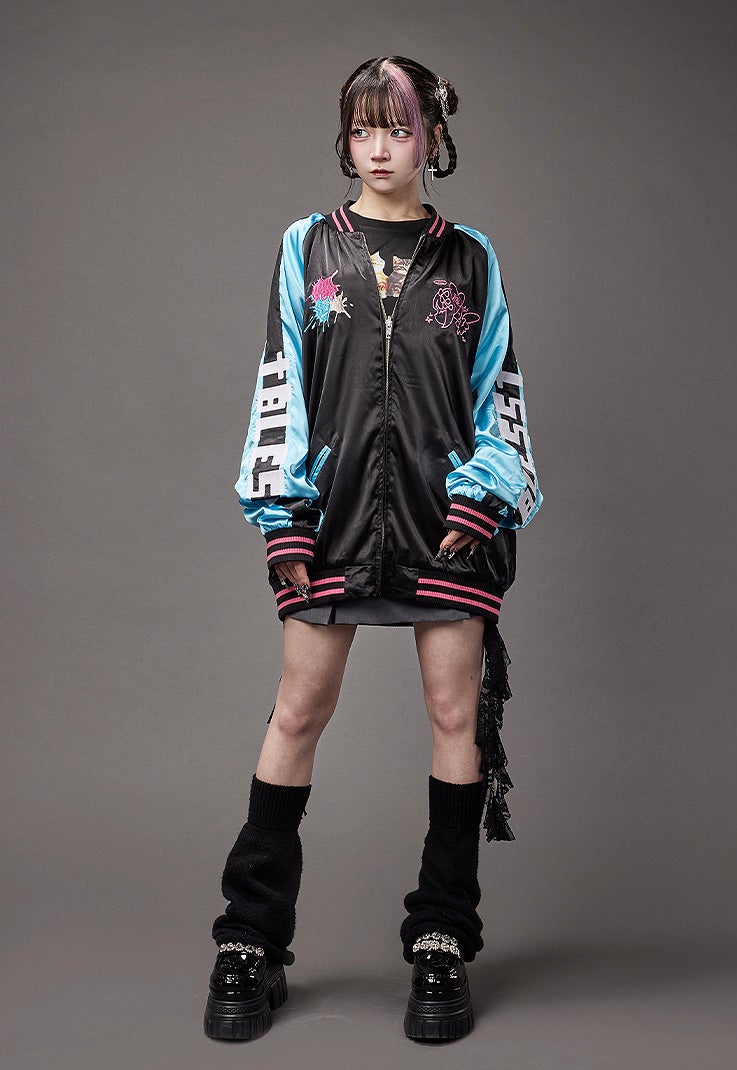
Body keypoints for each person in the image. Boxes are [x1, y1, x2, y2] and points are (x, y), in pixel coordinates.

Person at [203, 55, 543, 1044]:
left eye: (397, 127)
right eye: (362, 129)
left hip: (448, 525)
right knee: (297, 710)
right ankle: (249, 939)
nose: (379, 148)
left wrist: (483, 499)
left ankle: (441, 937)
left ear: (433, 136)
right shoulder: (306, 245)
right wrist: (284, 514)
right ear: (345, 140)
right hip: (334, 521)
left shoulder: (471, 258)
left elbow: (500, 393)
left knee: (454, 716)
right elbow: (280, 378)